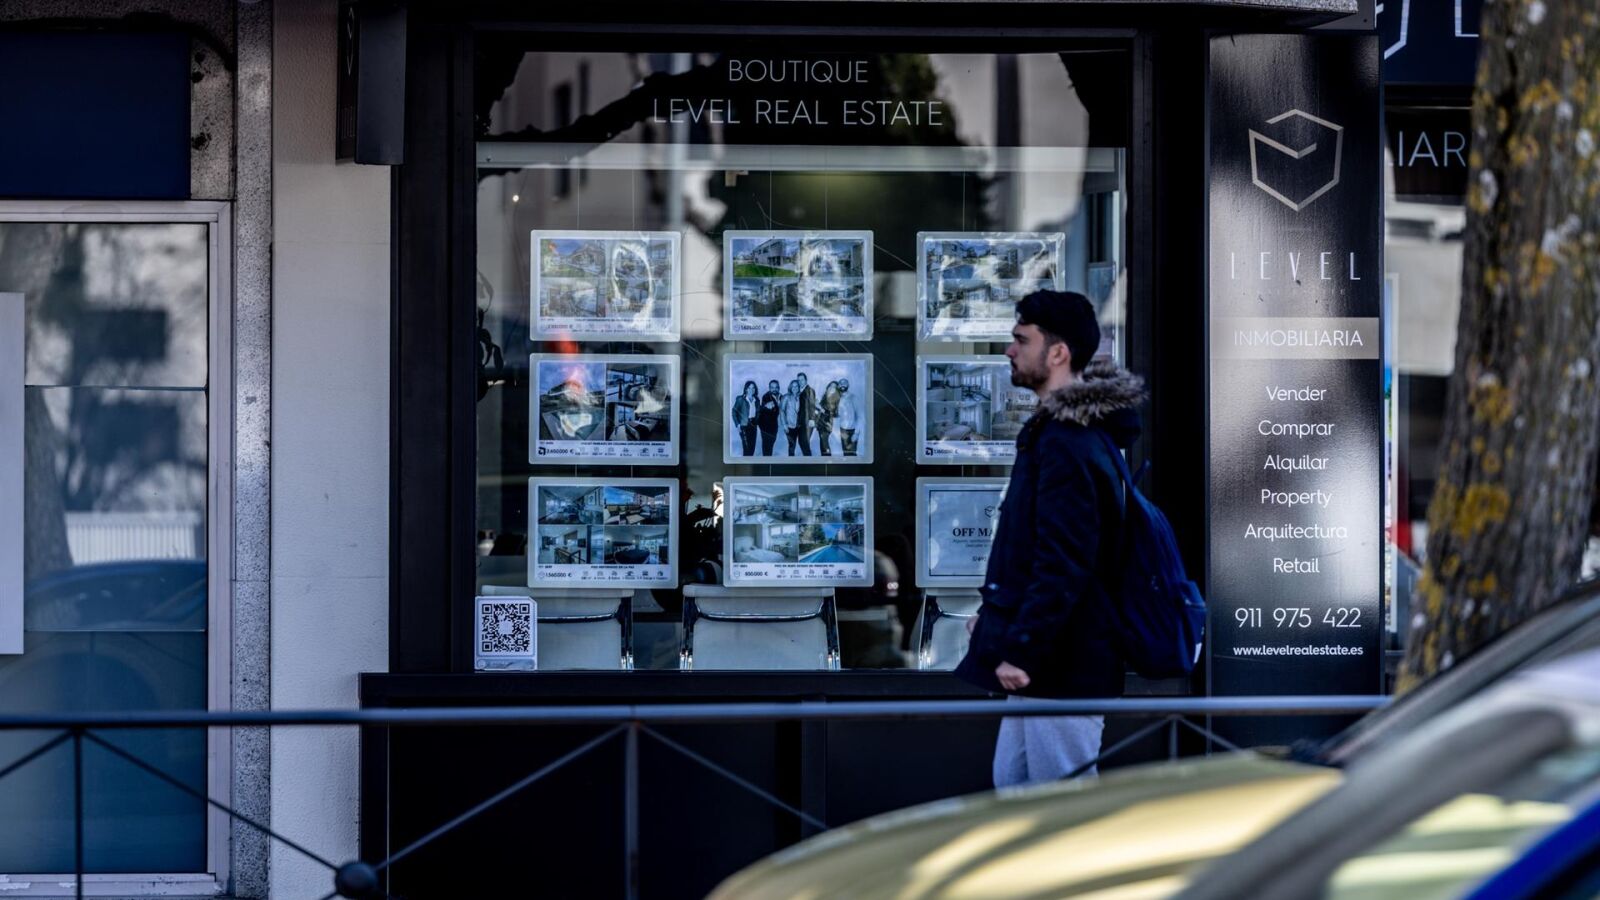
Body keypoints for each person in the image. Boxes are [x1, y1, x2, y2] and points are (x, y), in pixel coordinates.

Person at [954, 289, 1146, 787]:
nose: (1009, 350)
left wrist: (1022, 649)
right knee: (1017, 789)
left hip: (1063, 664)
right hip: (1052, 661)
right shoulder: (1061, 434)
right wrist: (999, 621)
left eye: (1022, 340)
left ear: (1058, 353)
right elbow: (1035, 551)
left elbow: (1064, 561)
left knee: (1062, 807)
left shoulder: (1068, 441)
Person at [732, 380, 760, 457]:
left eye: (753, 388)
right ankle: (746, 463)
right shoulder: (740, 399)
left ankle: (750, 462)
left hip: (753, 425)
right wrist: (737, 425)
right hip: (744, 425)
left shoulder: (757, 400)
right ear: (746, 389)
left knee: (752, 448)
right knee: (747, 448)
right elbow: (734, 412)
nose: (751, 390)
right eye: (749, 388)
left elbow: (758, 412)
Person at [835, 378, 861, 456]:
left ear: (848, 385)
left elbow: (859, 416)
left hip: (853, 430)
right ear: (838, 386)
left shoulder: (853, 398)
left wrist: (856, 433)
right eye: (840, 383)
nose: (842, 385)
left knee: (852, 453)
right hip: (843, 430)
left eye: (844, 383)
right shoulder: (838, 399)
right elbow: (837, 414)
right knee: (845, 453)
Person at [757, 379, 782, 456]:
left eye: (776, 387)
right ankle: (766, 459)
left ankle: (768, 457)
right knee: (766, 444)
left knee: (772, 442)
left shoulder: (781, 396)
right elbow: (770, 409)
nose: (774, 389)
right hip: (765, 425)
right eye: (772, 387)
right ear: (769, 388)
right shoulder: (766, 396)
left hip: (774, 424)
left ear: (778, 388)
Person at [817, 381, 841, 456]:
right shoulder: (826, 396)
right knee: (822, 443)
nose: (832, 388)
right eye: (831, 386)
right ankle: (824, 458)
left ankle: (827, 458)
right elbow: (821, 409)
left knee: (825, 444)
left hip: (827, 423)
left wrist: (819, 407)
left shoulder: (835, 398)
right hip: (821, 422)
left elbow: (831, 412)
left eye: (834, 387)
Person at [795, 372, 816, 456]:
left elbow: (812, 405)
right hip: (801, 422)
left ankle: (809, 460)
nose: (800, 382)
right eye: (798, 380)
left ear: (806, 380)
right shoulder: (800, 391)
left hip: (807, 421)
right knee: (802, 442)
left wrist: (812, 419)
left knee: (804, 442)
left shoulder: (809, 390)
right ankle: (807, 459)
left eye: (802, 380)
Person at [781, 379, 804, 456]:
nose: (795, 388)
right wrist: (784, 425)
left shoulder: (801, 396)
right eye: (793, 386)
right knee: (792, 445)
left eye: (796, 386)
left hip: (800, 426)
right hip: (790, 425)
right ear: (790, 387)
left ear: (799, 387)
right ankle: (791, 460)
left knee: (803, 444)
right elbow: (782, 411)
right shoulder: (786, 397)